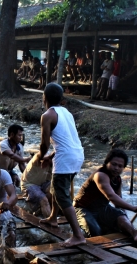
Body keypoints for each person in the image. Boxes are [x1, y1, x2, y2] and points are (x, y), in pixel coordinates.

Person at [37, 83, 86, 247]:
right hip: (77, 154)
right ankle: (53, 218)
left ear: (44, 97)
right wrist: (51, 156)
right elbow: (66, 140)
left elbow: (44, 144)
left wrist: (41, 157)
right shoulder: (67, 113)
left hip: (65, 157)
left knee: (62, 195)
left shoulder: (47, 115)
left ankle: (78, 235)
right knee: (56, 188)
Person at [74, 149, 137, 240]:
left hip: (102, 208)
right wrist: (133, 208)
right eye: (114, 164)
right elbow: (111, 196)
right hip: (83, 209)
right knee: (95, 232)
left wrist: (126, 221)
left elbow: (118, 202)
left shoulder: (117, 180)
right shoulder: (100, 175)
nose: (116, 168)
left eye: (120, 166)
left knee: (120, 215)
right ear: (107, 163)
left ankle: (134, 232)